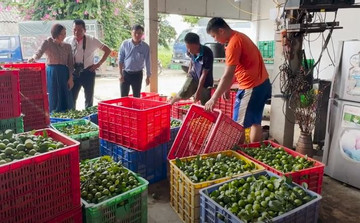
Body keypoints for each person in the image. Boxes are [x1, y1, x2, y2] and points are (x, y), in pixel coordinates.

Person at [204, 17, 271, 143]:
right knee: (256, 122)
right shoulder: (240, 37)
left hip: (250, 87)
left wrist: (213, 98)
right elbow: (239, 67)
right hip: (263, 84)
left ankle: (239, 156)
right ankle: (254, 153)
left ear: (221, 31)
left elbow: (227, 75)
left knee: (237, 126)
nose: (215, 40)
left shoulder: (233, 44)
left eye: (214, 36)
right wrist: (227, 87)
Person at [64, 19, 111, 108]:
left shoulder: (91, 39)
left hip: (88, 72)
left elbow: (107, 50)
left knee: (89, 98)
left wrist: (98, 64)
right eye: (75, 29)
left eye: (80, 30)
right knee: (72, 98)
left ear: (85, 30)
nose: (77, 32)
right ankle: (73, 118)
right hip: (74, 72)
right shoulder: (68, 40)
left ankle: (88, 119)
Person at [28, 23, 74, 113]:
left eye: (65, 33)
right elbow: (39, 53)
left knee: (64, 95)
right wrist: (33, 58)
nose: (64, 36)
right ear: (55, 33)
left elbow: (71, 64)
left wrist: (71, 78)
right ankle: (52, 115)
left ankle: (65, 114)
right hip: (52, 72)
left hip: (64, 72)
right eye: (62, 34)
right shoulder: (48, 42)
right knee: (53, 94)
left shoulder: (68, 46)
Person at [170, 32, 214, 105]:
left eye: (190, 48)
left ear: (197, 45)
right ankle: (169, 105)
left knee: (205, 103)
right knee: (182, 93)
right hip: (193, 76)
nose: (189, 50)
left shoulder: (207, 53)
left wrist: (198, 92)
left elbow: (204, 74)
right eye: (187, 47)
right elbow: (191, 60)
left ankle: (203, 115)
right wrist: (189, 72)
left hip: (205, 82)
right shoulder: (190, 50)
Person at [118, 25, 151, 97]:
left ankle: (135, 108)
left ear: (142, 34)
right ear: (131, 33)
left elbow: (147, 62)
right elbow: (120, 59)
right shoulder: (125, 44)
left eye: (139, 33)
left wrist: (148, 76)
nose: (137, 35)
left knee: (136, 96)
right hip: (125, 73)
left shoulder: (145, 47)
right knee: (123, 96)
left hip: (138, 75)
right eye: (135, 33)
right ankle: (125, 108)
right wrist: (120, 74)